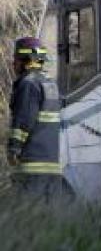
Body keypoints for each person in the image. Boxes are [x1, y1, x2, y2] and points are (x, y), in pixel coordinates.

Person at [7, 37, 65, 200]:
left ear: (26, 61)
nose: (13, 64)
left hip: (31, 169)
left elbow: (23, 121)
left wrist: (14, 149)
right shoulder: (51, 85)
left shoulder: (28, 84)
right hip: (52, 168)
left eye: (16, 59)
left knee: (28, 219)